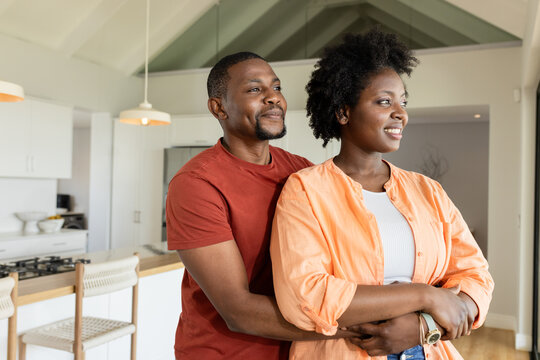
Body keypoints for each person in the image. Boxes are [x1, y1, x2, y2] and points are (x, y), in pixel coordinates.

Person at [270, 29, 494, 359]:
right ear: (343, 112)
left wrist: (421, 328)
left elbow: (476, 276)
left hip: (427, 351)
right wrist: (425, 296)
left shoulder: (428, 191)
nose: (400, 113)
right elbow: (307, 295)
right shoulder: (305, 190)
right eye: (384, 101)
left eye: (403, 102)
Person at [166, 52, 369, 359]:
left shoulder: (301, 172)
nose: (274, 98)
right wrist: (357, 325)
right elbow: (239, 311)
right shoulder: (196, 184)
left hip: (300, 350)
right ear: (218, 107)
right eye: (255, 89)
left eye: (277, 87)